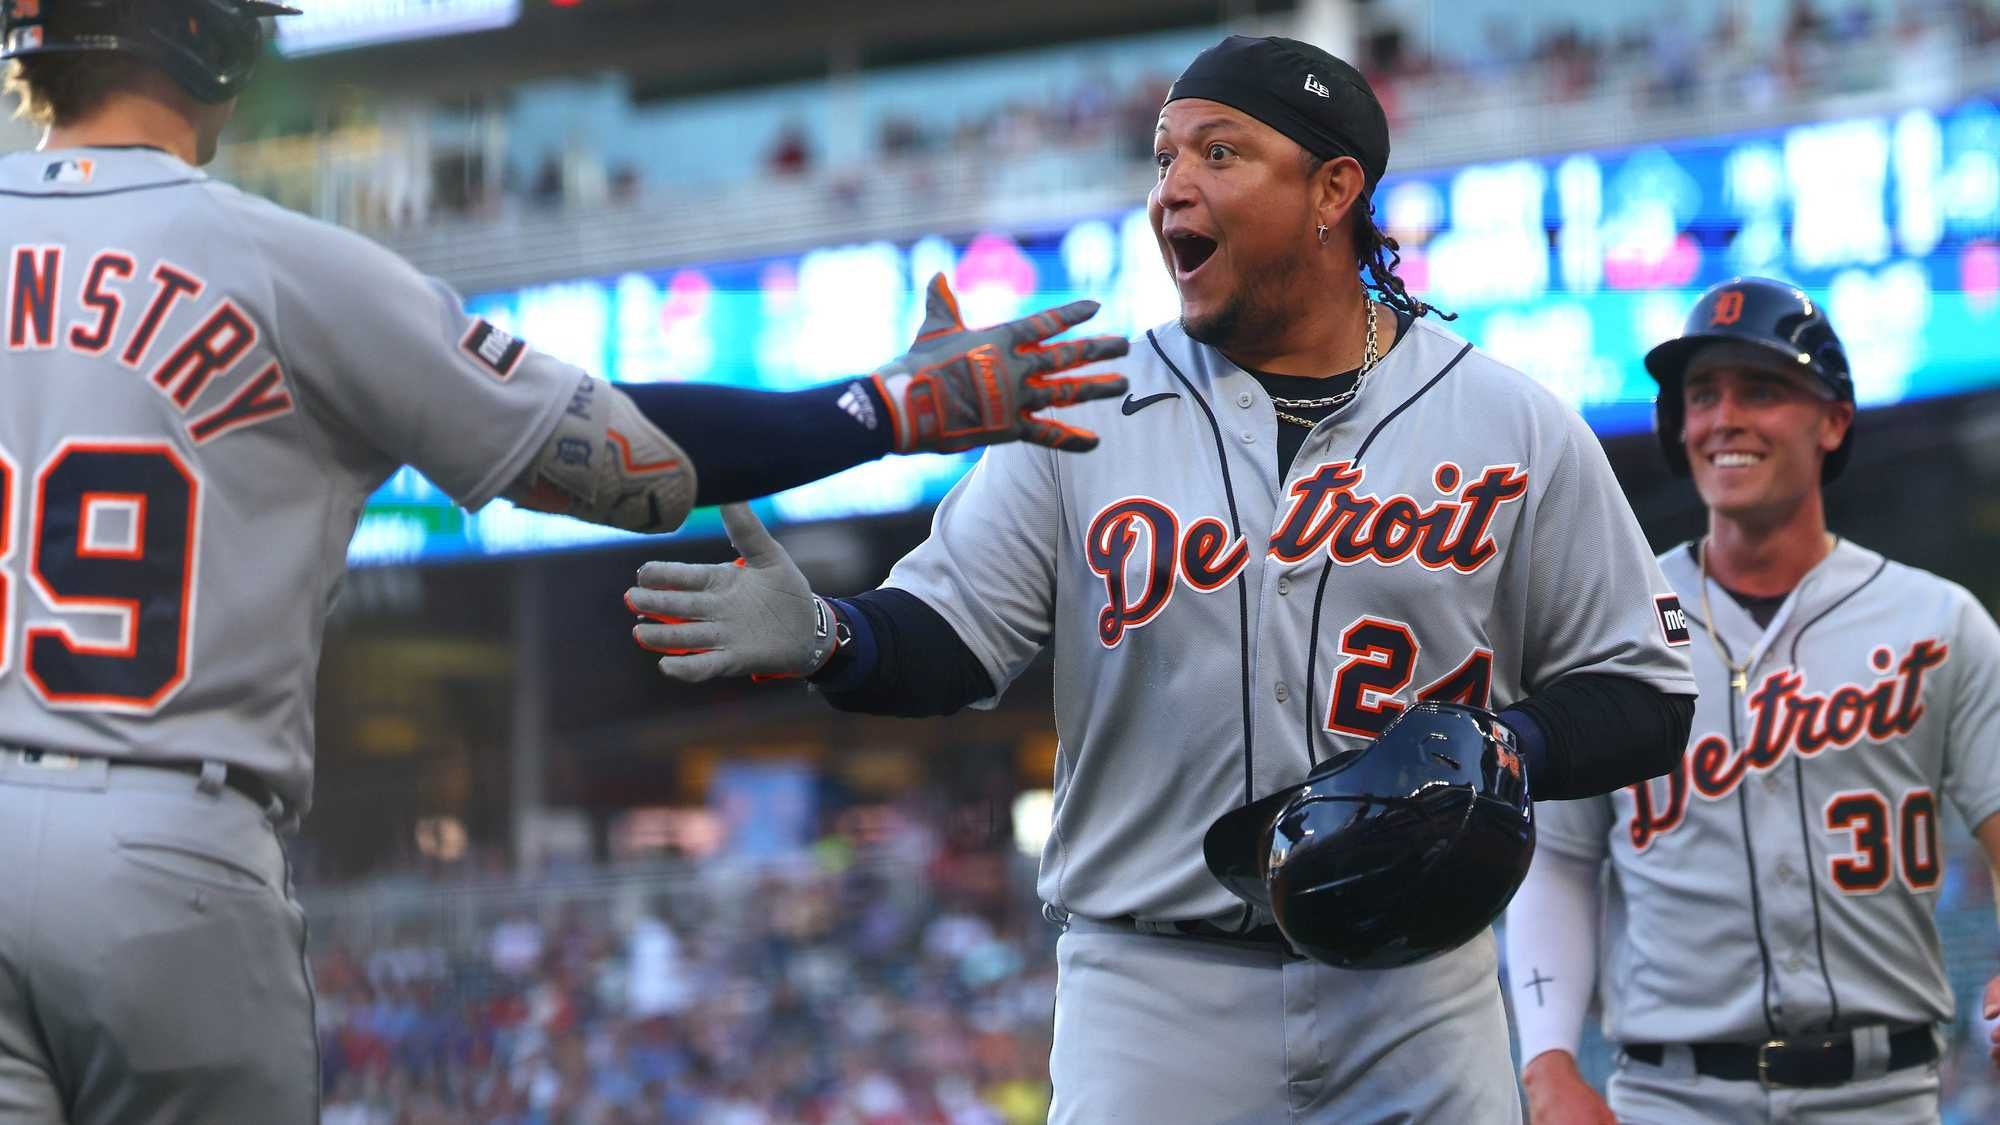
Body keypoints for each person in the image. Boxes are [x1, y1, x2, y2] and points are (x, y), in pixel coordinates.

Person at [0, 3, 1127, 1121]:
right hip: (168, 843)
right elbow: (628, 459)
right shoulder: (282, 264)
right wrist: (886, 407)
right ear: (219, 40)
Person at [627, 34, 1697, 1120]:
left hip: (1417, 993)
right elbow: (949, 637)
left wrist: (1499, 748)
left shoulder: (1508, 420)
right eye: (1162, 157)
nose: (1171, 189)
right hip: (1151, 991)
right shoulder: (1085, 403)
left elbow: (1647, 696)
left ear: (1333, 191)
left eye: (1218, 153)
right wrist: (829, 634)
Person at [1505, 276, 2000, 1123]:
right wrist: (1548, 1057)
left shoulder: (1939, 621)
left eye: (1762, 390)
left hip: (1885, 1094)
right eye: (1702, 396)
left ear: (1833, 420)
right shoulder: (1612, 626)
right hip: (1669, 1096)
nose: (1723, 418)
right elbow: (1558, 858)